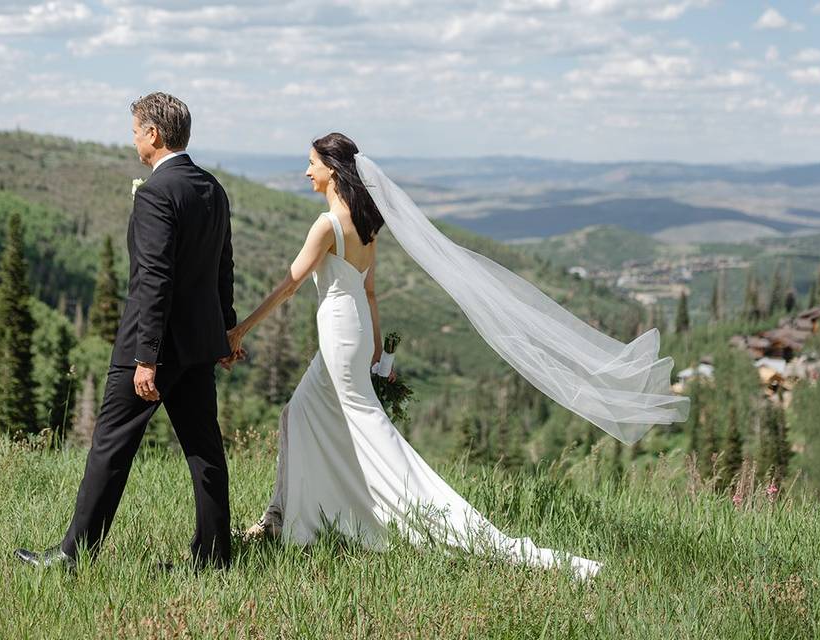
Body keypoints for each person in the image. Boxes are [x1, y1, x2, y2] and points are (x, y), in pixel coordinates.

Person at [226, 133, 636, 580]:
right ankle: (279, 517)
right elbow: (369, 290)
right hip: (355, 332)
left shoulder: (327, 225)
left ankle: (432, 516)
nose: (306, 172)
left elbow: (290, 285)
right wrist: (378, 350)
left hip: (342, 336)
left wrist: (240, 330)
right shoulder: (365, 223)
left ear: (333, 169)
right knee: (298, 413)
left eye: (311, 163)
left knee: (368, 431)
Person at [14, 92, 237, 570]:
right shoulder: (212, 188)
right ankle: (215, 559)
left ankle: (73, 557)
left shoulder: (158, 192)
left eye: (136, 130)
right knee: (205, 452)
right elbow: (223, 267)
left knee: (110, 449)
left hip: (154, 346)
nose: (133, 139)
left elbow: (153, 277)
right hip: (198, 345)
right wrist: (226, 331)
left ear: (153, 134)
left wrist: (146, 356)